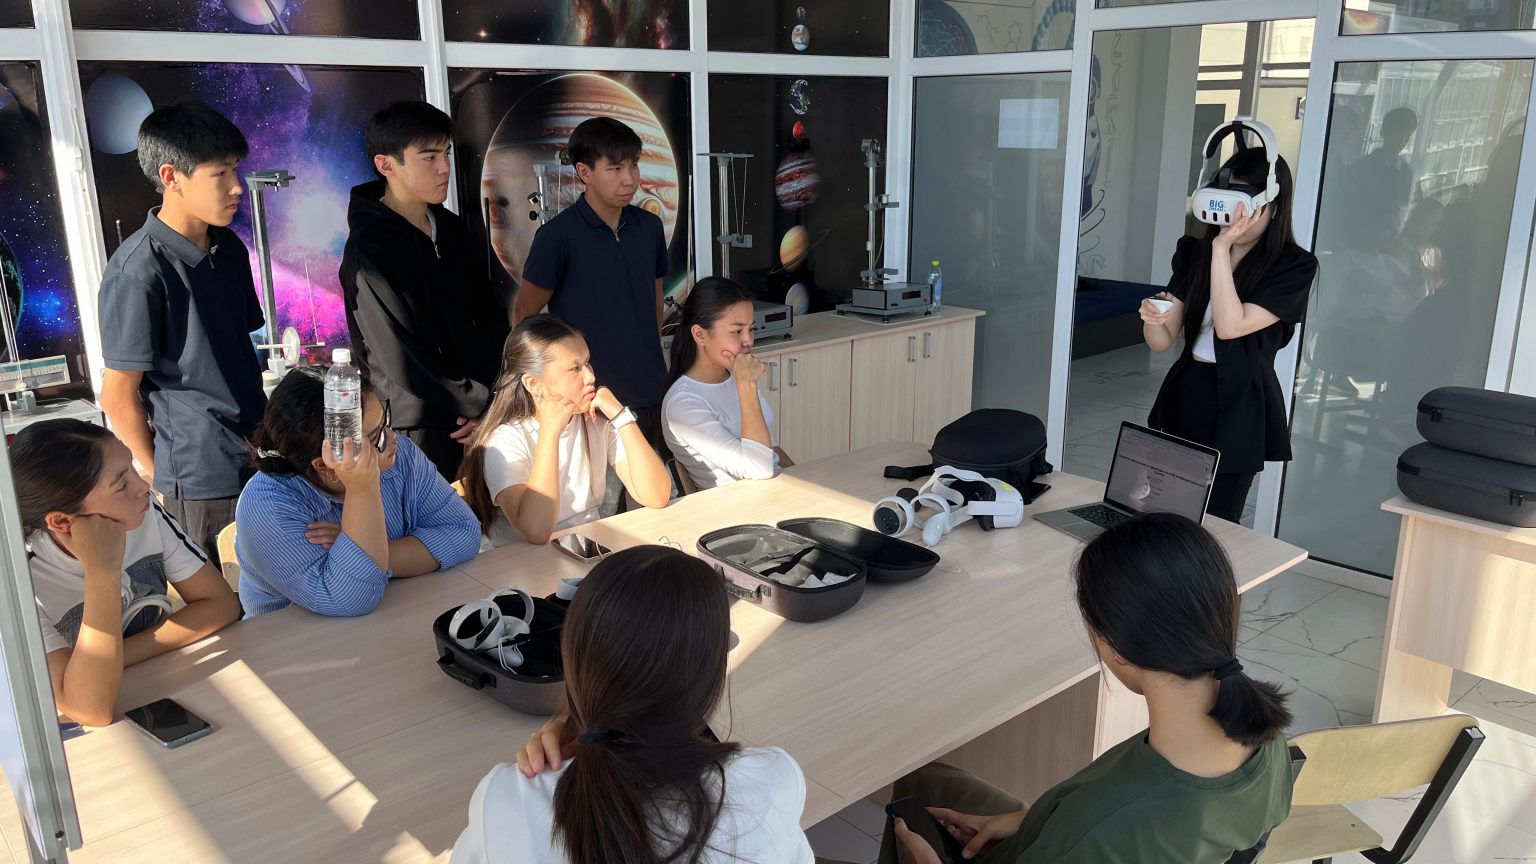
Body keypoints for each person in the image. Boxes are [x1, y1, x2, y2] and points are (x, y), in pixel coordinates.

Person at [829, 512, 1295, 864]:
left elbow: (1102, 827)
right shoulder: (1264, 737)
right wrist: (1031, 822)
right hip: (1064, 832)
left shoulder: (1101, 831)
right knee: (923, 782)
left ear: (1114, 645)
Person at [451, 545, 813, 864]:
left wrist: (580, 720)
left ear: (573, 659)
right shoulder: (772, 781)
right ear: (712, 673)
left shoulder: (506, 799)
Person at [97, 101, 267, 564]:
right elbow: (117, 395)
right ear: (171, 177)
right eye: (220, 173)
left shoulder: (229, 247)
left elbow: (235, 351)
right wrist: (160, 476)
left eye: (236, 169)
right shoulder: (136, 271)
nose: (237, 186)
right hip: (201, 481)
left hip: (262, 456)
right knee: (228, 598)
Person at [13, 420, 241, 727]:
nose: (143, 486)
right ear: (62, 522)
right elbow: (90, 708)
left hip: (165, 688)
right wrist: (102, 571)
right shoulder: (19, 582)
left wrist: (116, 658)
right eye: (121, 485)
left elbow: (221, 604)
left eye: (132, 468)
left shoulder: (142, 514)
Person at [1140, 147, 1318, 522]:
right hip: (1188, 391)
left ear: (1272, 206)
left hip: (1242, 401)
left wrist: (1221, 248)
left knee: (1219, 521)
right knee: (1165, 509)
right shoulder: (1194, 252)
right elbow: (1162, 341)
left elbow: (1230, 326)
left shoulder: (1292, 266)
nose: (1234, 215)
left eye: (1244, 203)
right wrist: (1153, 319)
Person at [339, 100, 508, 480]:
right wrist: (476, 402)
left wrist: (489, 399)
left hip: (478, 418)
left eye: (446, 153)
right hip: (414, 429)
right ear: (386, 165)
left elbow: (489, 315)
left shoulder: (452, 230)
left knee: (485, 515)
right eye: (429, 157)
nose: (444, 167)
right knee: (428, 519)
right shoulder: (369, 248)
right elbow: (397, 354)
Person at [234, 366, 481, 617]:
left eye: (385, 419)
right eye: (376, 437)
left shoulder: (400, 457)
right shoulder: (266, 506)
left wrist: (370, 548)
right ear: (325, 465)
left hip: (396, 614)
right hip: (294, 637)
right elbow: (351, 599)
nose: (392, 436)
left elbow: (465, 532)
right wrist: (362, 488)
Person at [513, 117, 670, 459]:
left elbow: (655, 299)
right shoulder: (557, 237)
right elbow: (525, 314)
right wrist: (547, 388)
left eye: (633, 165)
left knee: (657, 486)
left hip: (651, 388)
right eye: (615, 168)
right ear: (584, 172)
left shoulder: (649, 227)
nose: (630, 179)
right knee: (601, 492)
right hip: (590, 401)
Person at [457, 315, 671, 547]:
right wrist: (550, 431)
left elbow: (656, 495)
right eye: (575, 368)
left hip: (585, 553)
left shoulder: (596, 421)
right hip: (522, 563)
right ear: (534, 384)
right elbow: (537, 531)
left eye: (588, 363)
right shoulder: (504, 440)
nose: (590, 376)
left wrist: (621, 416)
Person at [662, 277, 795, 491]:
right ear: (700, 335)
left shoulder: (737, 376)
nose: (748, 341)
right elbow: (758, 469)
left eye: (751, 329)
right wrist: (746, 384)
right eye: (736, 331)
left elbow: (772, 449)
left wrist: (805, 479)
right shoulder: (683, 403)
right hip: (737, 507)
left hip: (776, 493)